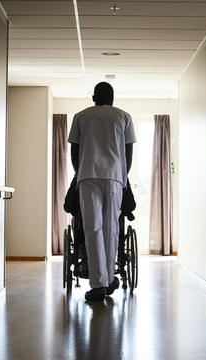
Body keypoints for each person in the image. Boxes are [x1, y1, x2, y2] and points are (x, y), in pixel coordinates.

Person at [68, 82, 136, 301]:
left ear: (93, 97)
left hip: (88, 175)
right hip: (115, 176)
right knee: (111, 227)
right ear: (113, 98)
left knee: (92, 228)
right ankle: (107, 280)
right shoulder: (124, 116)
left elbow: (74, 151)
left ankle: (99, 283)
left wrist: (80, 174)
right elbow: (128, 153)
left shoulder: (81, 116)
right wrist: (122, 176)